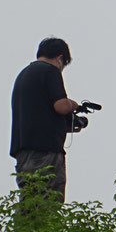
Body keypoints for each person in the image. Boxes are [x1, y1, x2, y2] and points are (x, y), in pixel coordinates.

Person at [10, 37, 79, 202]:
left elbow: (40, 114)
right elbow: (61, 106)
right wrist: (73, 105)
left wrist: (64, 125)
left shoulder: (24, 75)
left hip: (24, 155)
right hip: (46, 153)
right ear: (60, 58)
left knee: (30, 203)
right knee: (49, 204)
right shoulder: (50, 71)